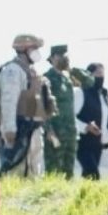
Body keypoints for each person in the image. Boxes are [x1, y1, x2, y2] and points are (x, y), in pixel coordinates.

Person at [0, 33, 55, 178]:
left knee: (35, 169)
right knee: (17, 169)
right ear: (24, 50)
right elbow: (8, 101)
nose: (37, 53)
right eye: (34, 48)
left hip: (34, 127)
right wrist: (10, 129)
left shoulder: (32, 71)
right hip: (20, 128)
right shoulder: (12, 71)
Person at [73, 63, 108, 180]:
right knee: (93, 174)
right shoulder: (81, 92)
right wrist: (86, 126)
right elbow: (71, 117)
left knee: (89, 176)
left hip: (97, 143)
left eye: (102, 74)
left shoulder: (103, 95)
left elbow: (107, 117)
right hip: (82, 142)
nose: (101, 77)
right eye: (98, 74)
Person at [43, 44, 77, 178]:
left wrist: (72, 70)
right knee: (54, 171)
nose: (65, 58)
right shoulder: (47, 79)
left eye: (66, 55)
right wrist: (48, 130)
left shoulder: (67, 79)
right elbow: (42, 106)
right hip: (55, 131)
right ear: (52, 58)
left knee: (69, 171)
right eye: (61, 55)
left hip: (70, 132)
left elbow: (89, 81)